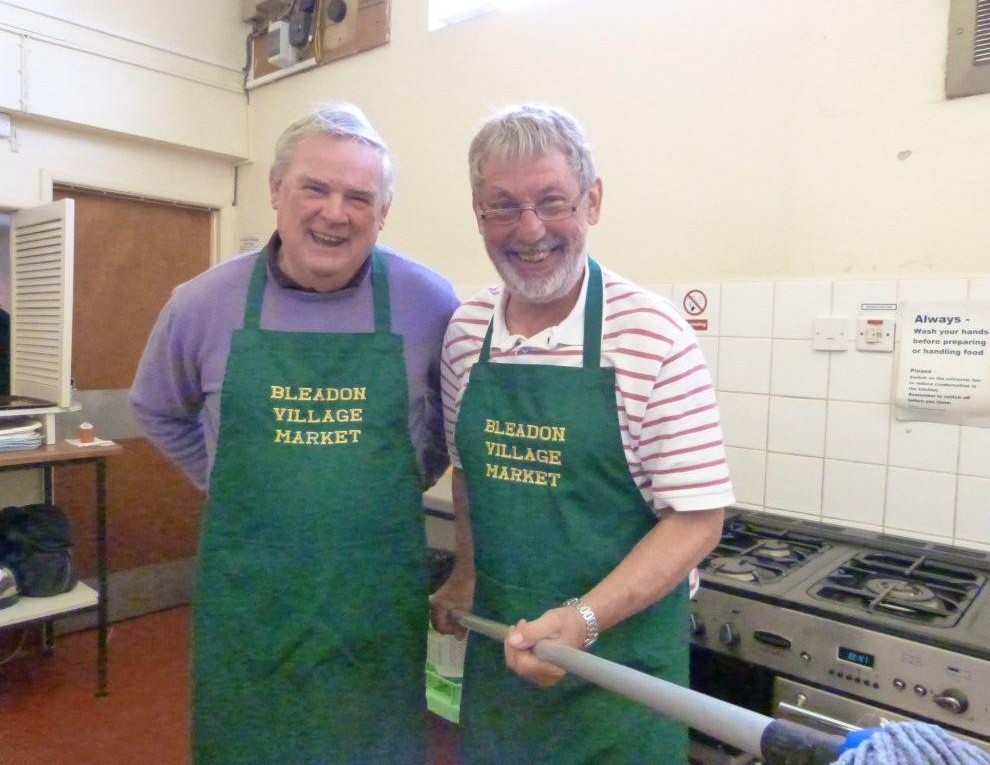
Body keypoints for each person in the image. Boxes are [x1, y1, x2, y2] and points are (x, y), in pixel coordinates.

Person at [131, 103, 460, 765]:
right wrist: (224, 475)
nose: (335, 213)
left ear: (383, 212)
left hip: (372, 604)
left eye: (358, 197)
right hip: (250, 602)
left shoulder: (431, 303)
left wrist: (398, 478)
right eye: (315, 188)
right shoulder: (201, 303)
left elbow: (449, 430)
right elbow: (157, 407)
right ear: (277, 189)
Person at [430, 104, 733, 764]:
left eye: (552, 201)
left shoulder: (653, 335)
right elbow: (468, 474)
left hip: (620, 677)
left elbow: (697, 520)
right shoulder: (464, 333)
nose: (529, 229)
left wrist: (585, 619)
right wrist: (465, 574)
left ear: (592, 201)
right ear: (478, 212)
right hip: (503, 668)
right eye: (502, 206)